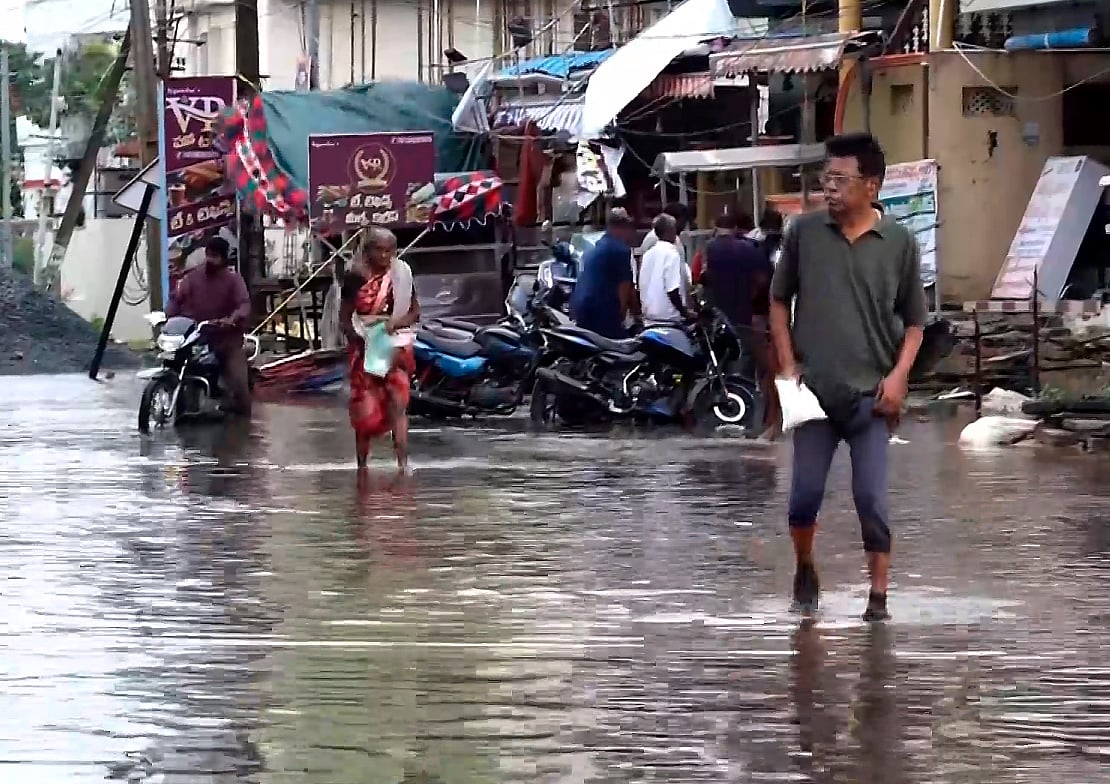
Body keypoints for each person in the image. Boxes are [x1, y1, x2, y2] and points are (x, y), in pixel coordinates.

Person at [769, 132, 928, 622]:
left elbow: (916, 323)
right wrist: (787, 364)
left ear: (871, 185)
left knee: (871, 500)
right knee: (803, 498)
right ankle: (804, 566)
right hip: (814, 395)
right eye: (827, 179)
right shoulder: (804, 233)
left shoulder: (899, 243)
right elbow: (778, 300)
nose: (830, 188)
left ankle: (878, 600)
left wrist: (898, 378)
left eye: (840, 179)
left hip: (871, 396)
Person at [339, 227, 421, 473]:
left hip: (396, 345)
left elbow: (415, 312)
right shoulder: (355, 277)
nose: (385, 256)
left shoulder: (402, 274)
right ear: (367, 251)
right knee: (364, 409)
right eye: (379, 250)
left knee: (398, 405)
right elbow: (344, 318)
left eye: (389, 251)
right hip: (364, 347)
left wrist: (395, 324)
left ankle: (403, 465)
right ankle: (362, 467)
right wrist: (362, 341)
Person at [700, 211, 778, 439]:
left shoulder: (710, 248)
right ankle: (756, 415)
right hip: (746, 316)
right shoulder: (750, 249)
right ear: (736, 228)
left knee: (725, 363)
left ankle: (729, 410)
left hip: (719, 317)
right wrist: (750, 299)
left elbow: (703, 278)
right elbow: (763, 281)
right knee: (752, 365)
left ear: (716, 226)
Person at [166, 236, 252, 416]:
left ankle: (242, 421)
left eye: (215, 256)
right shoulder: (193, 277)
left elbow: (244, 304)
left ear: (224, 258)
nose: (210, 259)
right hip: (199, 335)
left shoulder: (233, 279)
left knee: (238, 384)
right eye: (208, 255)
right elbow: (177, 298)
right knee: (180, 363)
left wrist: (232, 319)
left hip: (226, 337)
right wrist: (168, 315)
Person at [569, 208, 639, 338]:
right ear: (623, 228)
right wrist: (632, 316)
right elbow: (625, 289)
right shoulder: (620, 249)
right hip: (600, 311)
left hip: (579, 308)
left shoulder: (597, 245)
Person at [638, 212, 696, 325]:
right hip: (668, 320)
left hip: (648, 319)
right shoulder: (672, 254)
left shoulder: (648, 254)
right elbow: (672, 291)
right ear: (671, 231)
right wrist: (685, 312)